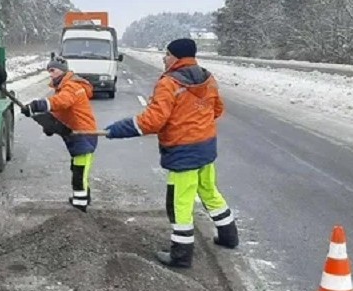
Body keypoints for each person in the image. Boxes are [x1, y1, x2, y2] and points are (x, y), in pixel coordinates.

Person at [103, 38, 239, 268]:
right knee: (208, 191)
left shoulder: (169, 83)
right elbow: (217, 109)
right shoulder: (208, 78)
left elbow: (153, 121)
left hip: (183, 151)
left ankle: (181, 255)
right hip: (206, 147)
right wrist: (196, 122)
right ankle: (229, 236)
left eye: (166, 54)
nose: (163, 58)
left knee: (180, 203)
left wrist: (116, 130)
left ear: (176, 57)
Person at [22, 56, 99, 212]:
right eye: (48, 71)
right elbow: (60, 111)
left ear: (62, 71)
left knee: (79, 174)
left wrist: (39, 104)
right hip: (77, 135)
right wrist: (48, 124)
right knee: (78, 170)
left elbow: (61, 102)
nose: (50, 74)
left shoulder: (72, 87)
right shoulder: (64, 87)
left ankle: (80, 207)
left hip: (84, 135)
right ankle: (83, 198)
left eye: (53, 70)